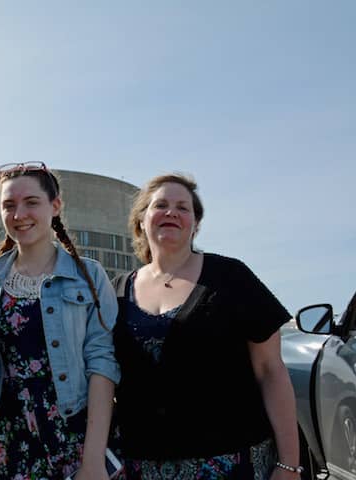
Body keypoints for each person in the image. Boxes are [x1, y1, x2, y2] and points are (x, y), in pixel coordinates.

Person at [111, 173, 300, 479]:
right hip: (140, 466)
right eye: (160, 205)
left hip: (232, 464)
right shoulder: (116, 291)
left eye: (183, 207)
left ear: (195, 224)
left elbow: (271, 371)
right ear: (141, 220)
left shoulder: (231, 277)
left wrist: (289, 463)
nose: (171, 212)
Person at [0, 162, 120, 480]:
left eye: (32, 202)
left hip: (75, 434)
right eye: (9, 205)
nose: (19, 214)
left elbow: (102, 364)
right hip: (11, 437)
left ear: (55, 206)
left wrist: (94, 459)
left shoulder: (89, 275)